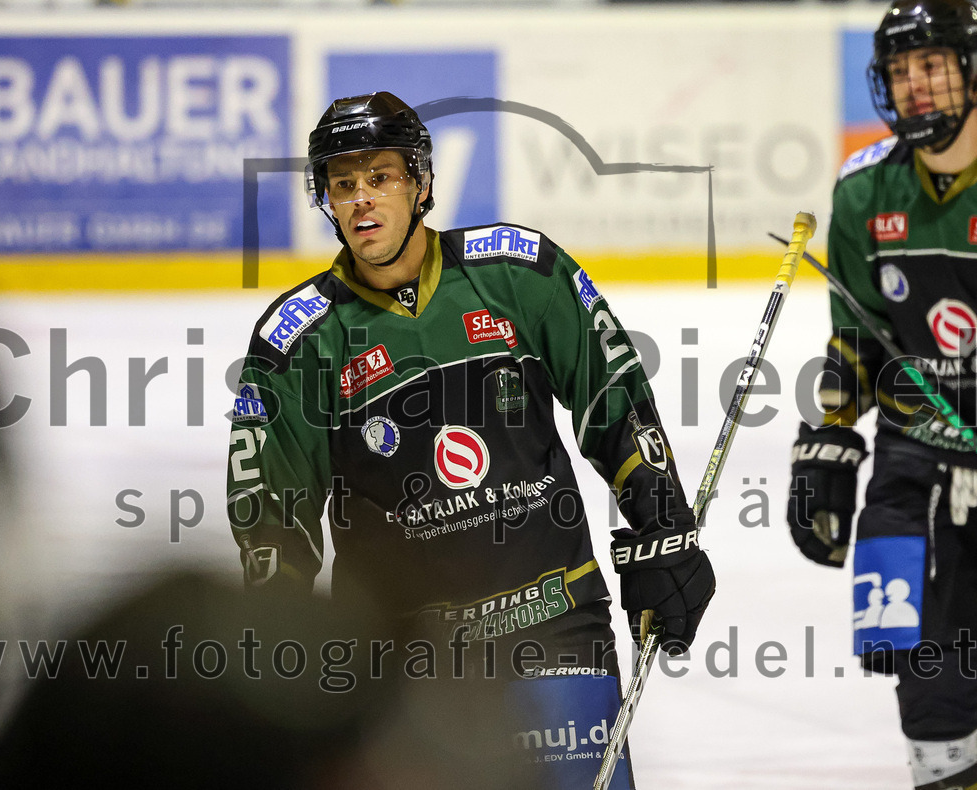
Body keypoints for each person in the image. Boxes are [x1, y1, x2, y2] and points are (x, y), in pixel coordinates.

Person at [227, 91, 715, 788]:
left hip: (555, 619)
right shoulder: (297, 341)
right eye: (344, 184)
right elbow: (273, 515)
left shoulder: (520, 273)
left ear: (421, 182)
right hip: (402, 662)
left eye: (380, 178)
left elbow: (614, 398)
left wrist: (664, 526)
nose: (362, 201)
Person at [786, 3, 977, 788]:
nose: (915, 87)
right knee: (924, 677)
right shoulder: (866, 190)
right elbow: (859, 343)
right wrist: (828, 437)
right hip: (915, 456)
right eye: (900, 71)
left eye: (932, 65)